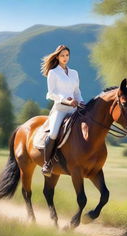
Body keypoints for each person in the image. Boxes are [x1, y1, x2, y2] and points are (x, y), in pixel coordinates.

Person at [40, 45, 84, 177]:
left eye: (67, 55)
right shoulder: (53, 73)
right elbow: (51, 94)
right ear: (57, 57)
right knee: (53, 133)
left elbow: (77, 92)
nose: (65, 58)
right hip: (60, 109)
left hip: (75, 109)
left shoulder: (75, 73)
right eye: (62, 55)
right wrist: (66, 100)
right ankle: (47, 163)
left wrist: (82, 102)